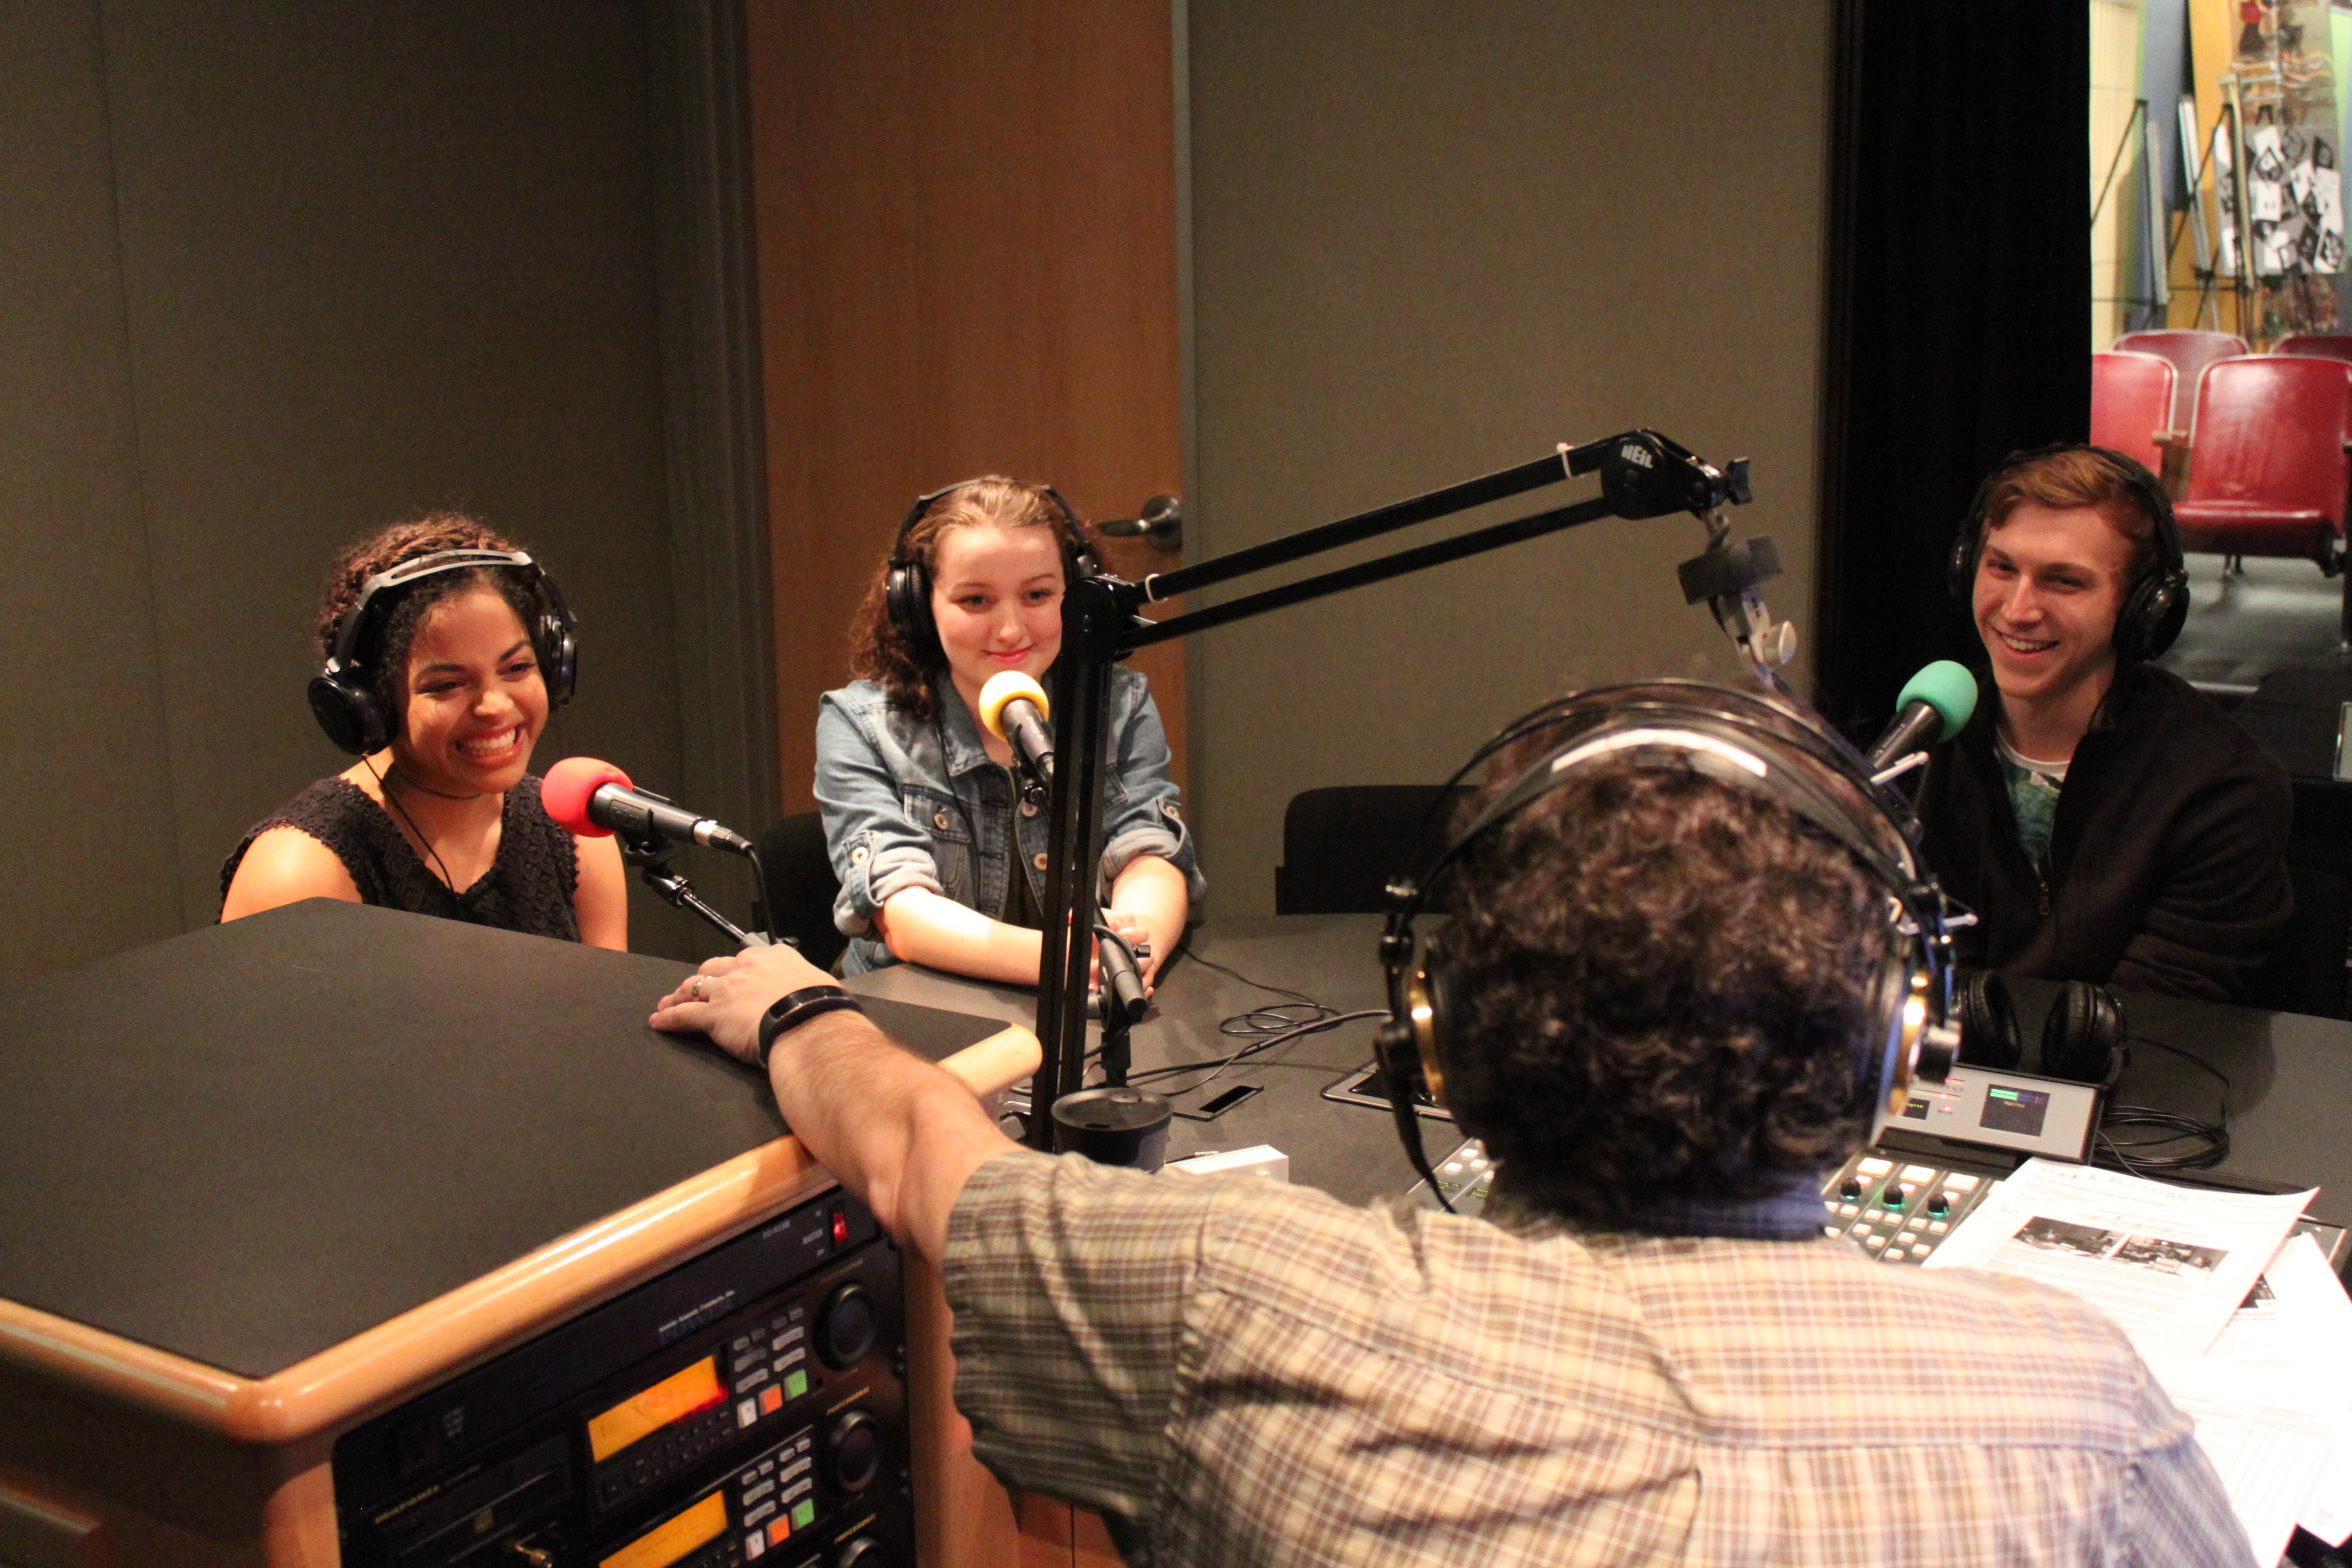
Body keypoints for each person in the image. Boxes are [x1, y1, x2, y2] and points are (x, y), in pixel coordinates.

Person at [654, 680, 2246, 1566]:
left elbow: (922, 1151)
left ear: (1432, 1036)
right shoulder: (2082, 1409)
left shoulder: (1240, 1293)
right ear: (1901, 1048)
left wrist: (792, 1002)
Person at [1917, 444, 2292, 1002]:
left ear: (2145, 609)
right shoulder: (1923, 744)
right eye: (2001, 567)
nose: (2018, 610)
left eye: (2063, 581)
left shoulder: (2222, 788)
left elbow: (2165, 1007)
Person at [816, 476, 1201, 982]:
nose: (1011, 630)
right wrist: (1072, 962)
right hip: (923, 1011)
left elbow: (1149, 846)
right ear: (919, 605)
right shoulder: (859, 724)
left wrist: (1135, 946)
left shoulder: (1117, 704)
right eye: (975, 600)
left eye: (1038, 594)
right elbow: (903, 913)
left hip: (1085, 994)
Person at [220, 513, 628, 947]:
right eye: (448, 684)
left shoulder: (575, 840)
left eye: (517, 667)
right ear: (372, 704)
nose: (495, 705)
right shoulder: (301, 871)